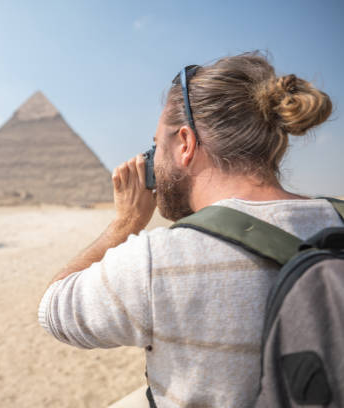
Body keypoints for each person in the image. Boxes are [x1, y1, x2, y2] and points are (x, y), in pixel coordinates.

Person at [38, 52, 341, 407]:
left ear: (185, 143)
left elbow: (52, 310)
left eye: (156, 146)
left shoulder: (157, 259)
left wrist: (124, 223)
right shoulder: (338, 220)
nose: (153, 159)